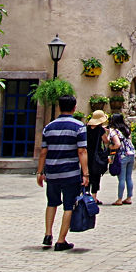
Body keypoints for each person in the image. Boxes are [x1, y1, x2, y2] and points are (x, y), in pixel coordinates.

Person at [36, 94, 89, 251]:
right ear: (74, 107)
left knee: (51, 203)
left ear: (59, 107)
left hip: (52, 172)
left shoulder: (49, 127)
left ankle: (47, 234)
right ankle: (61, 240)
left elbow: (43, 152)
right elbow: (82, 151)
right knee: (68, 205)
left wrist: (40, 172)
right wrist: (85, 174)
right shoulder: (79, 127)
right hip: (70, 172)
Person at [84, 109, 112, 203]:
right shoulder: (100, 130)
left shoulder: (86, 128)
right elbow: (106, 142)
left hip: (86, 154)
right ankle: (94, 197)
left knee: (86, 174)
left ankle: (85, 195)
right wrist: (107, 134)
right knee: (96, 176)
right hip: (97, 156)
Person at [109, 113, 134, 205]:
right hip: (131, 153)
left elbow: (117, 144)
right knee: (129, 177)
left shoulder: (114, 131)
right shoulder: (126, 129)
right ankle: (129, 197)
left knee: (121, 178)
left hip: (122, 155)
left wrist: (110, 147)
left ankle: (119, 199)